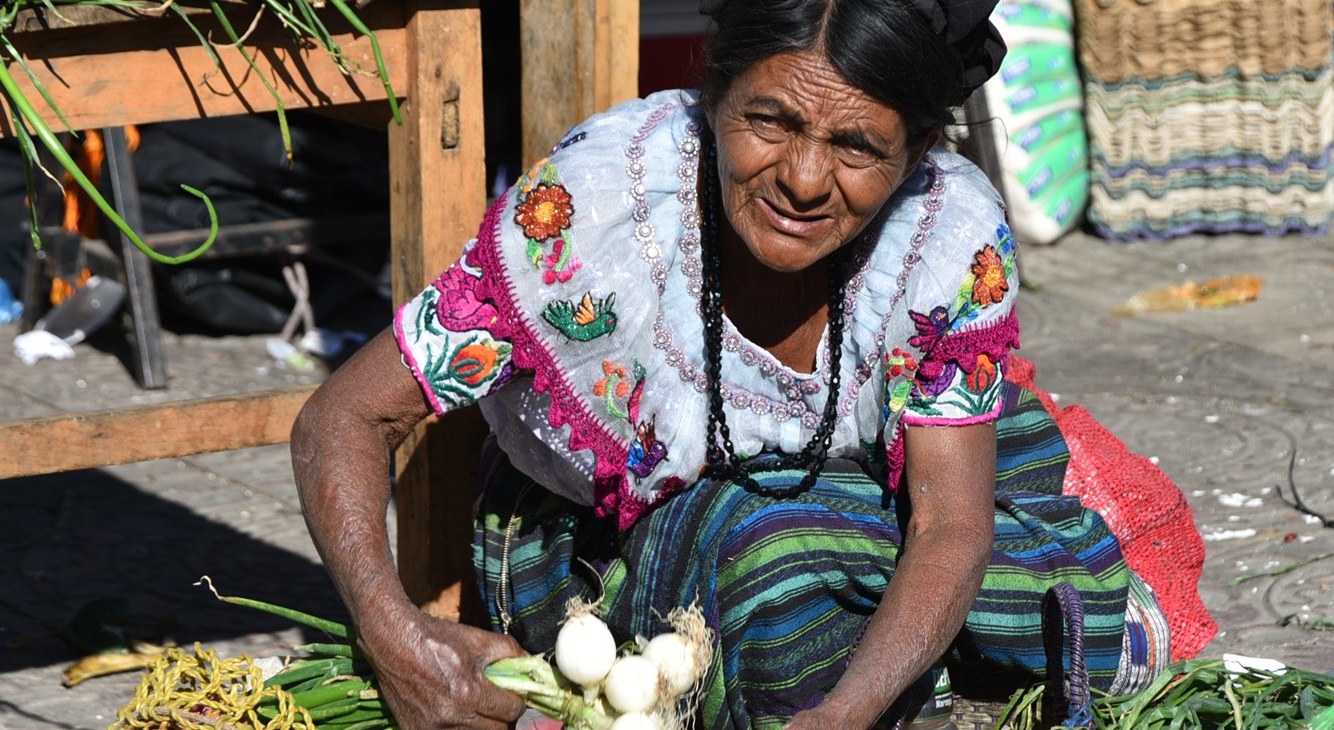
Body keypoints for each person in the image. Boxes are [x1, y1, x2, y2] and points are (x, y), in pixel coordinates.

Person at [290, 1, 1213, 727]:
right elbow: (344, 417)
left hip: (845, 486)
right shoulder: (602, 211)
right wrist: (397, 643)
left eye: (857, 147)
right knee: (771, 564)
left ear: (918, 154)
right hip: (607, 531)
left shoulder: (945, 234)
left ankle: (879, 663)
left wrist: (844, 716)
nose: (803, 181)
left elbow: (947, 524)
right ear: (714, 93)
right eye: (770, 121)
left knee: (1007, 446)